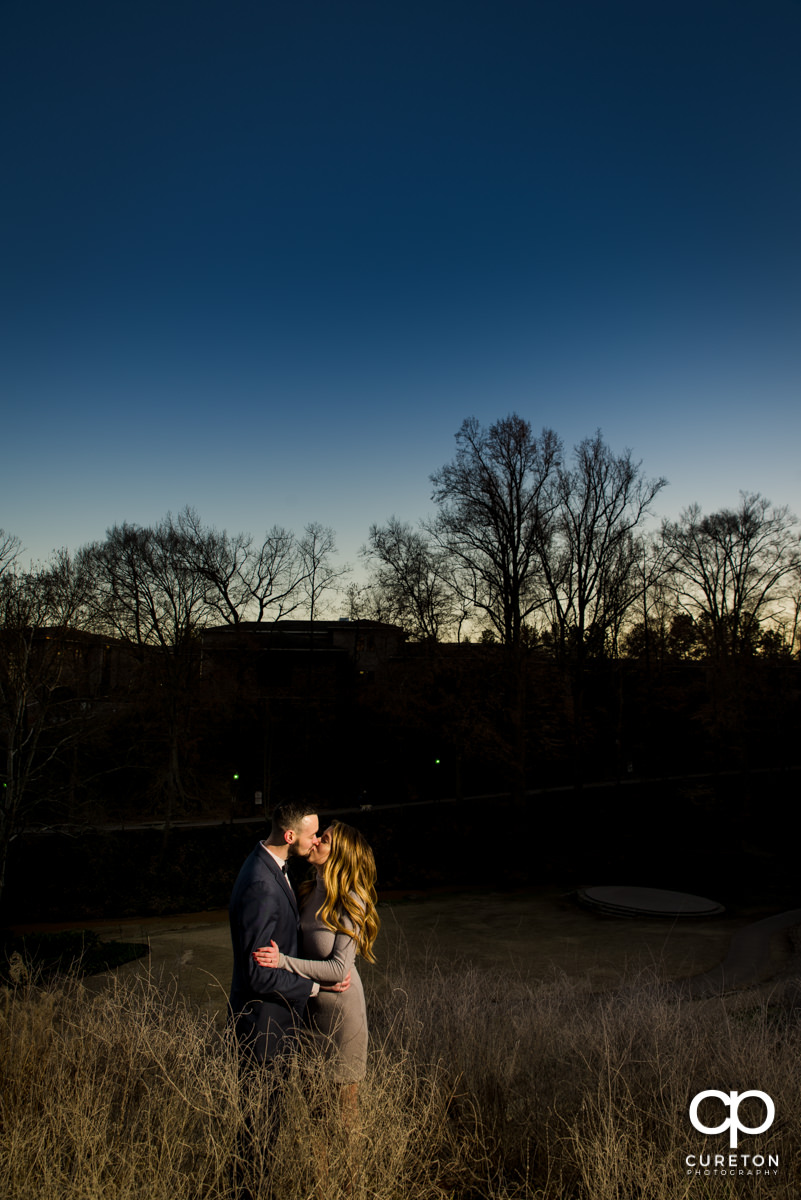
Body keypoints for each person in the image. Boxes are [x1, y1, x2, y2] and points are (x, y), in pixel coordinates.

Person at [252, 821, 379, 1117]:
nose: (316, 841)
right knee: (316, 1114)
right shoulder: (308, 891)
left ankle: (353, 1166)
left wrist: (281, 961)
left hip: (342, 1018)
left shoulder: (351, 901)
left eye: (325, 839)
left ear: (339, 855)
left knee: (345, 1116)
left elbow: (337, 970)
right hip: (311, 1016)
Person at [227, 800, 350, 1065]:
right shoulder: (261, 884)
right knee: (266, 1107)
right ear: (290, 836)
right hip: (262, 1031)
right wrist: (316, 986)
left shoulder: (269, 866)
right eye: (312, 835)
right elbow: (258, 975)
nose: (316, 841)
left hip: (275, 1027)